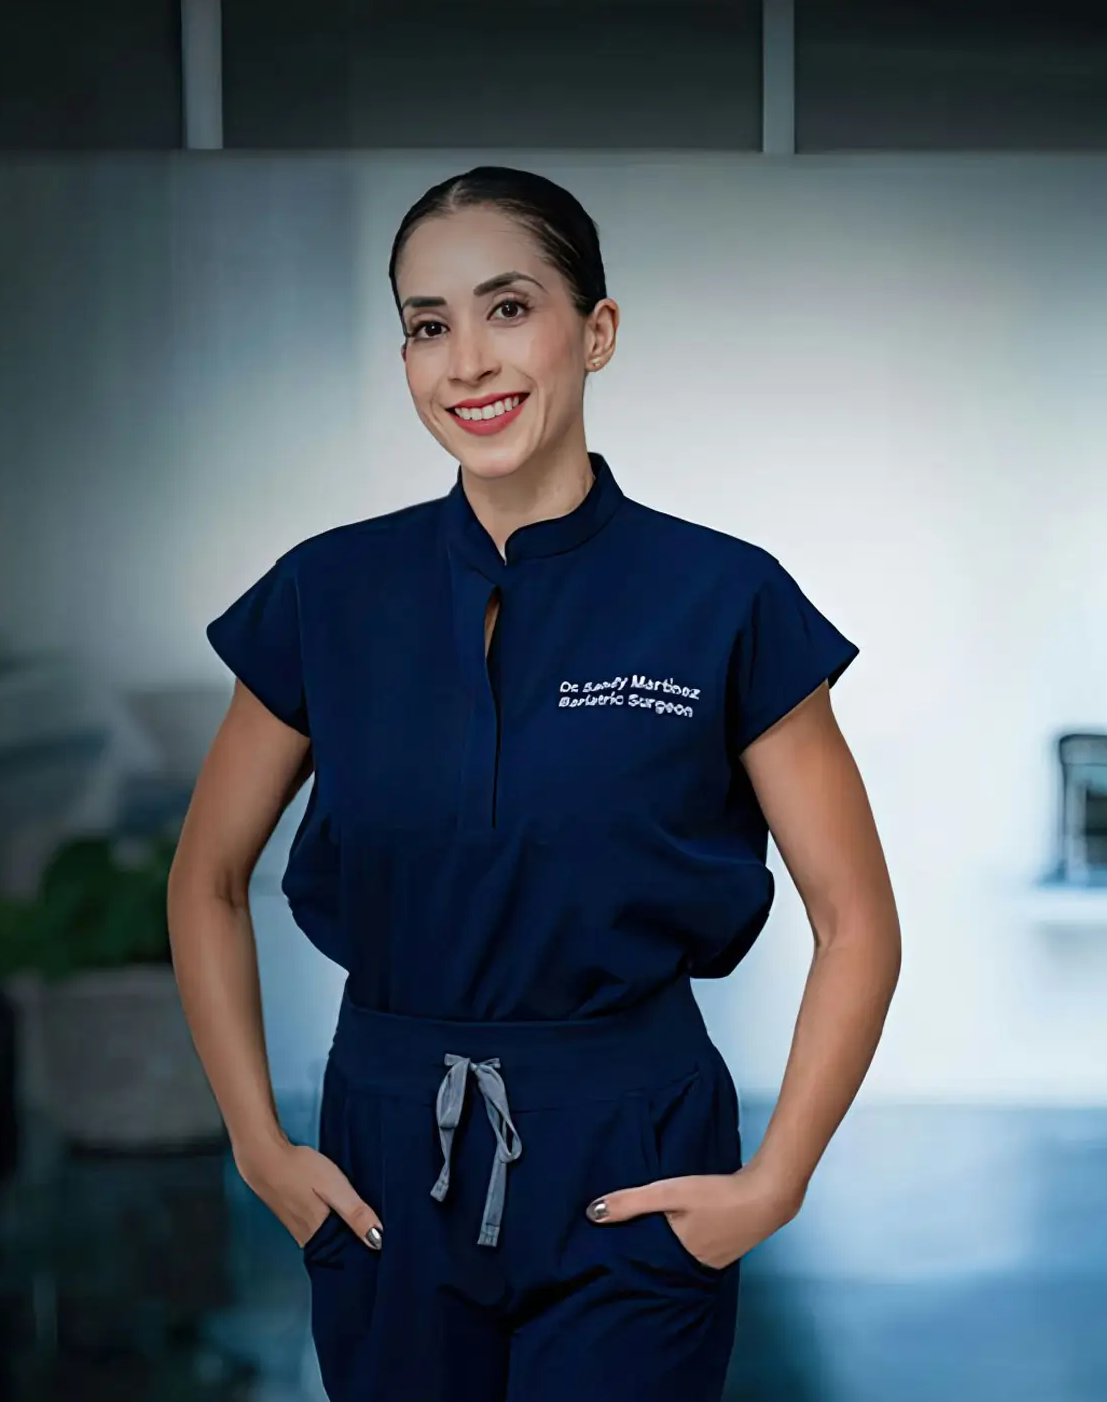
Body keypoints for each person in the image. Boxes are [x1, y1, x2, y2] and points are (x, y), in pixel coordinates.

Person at [168, 167, 901, 1402]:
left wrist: (773, 1182)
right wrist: (258, 1146)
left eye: (507, 308)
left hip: (632, 1145)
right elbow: (206, 880)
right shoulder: (326, 592)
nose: (465, 363)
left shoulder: (721, 598)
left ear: (595, 331)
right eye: (426, 325)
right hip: (386, 1151)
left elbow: (856, 916)